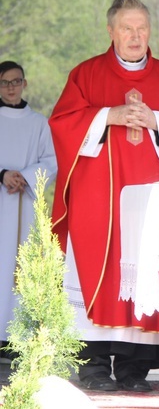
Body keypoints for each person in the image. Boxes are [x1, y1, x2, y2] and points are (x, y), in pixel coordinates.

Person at [49, 0, 159, 392]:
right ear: (111, 31)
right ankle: (95, 366)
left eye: (142, 29)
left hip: (151, 196)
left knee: (146, 265)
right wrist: (108, 116)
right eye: (127, 29)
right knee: (94, 270)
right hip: (99, 198)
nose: (136, 36)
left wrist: (155, 120)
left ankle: (135, 368)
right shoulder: (86, 75)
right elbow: (62, 124)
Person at [0, 61, 58, 358]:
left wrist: (27, 174)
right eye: (5, 82)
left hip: (24, 205)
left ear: (25, 83)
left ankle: (16, 336)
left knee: (19, 269)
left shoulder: (39, 123)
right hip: (2, 202)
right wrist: (3, 175)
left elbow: (51, 161)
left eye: (16, 81)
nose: (11, 87)